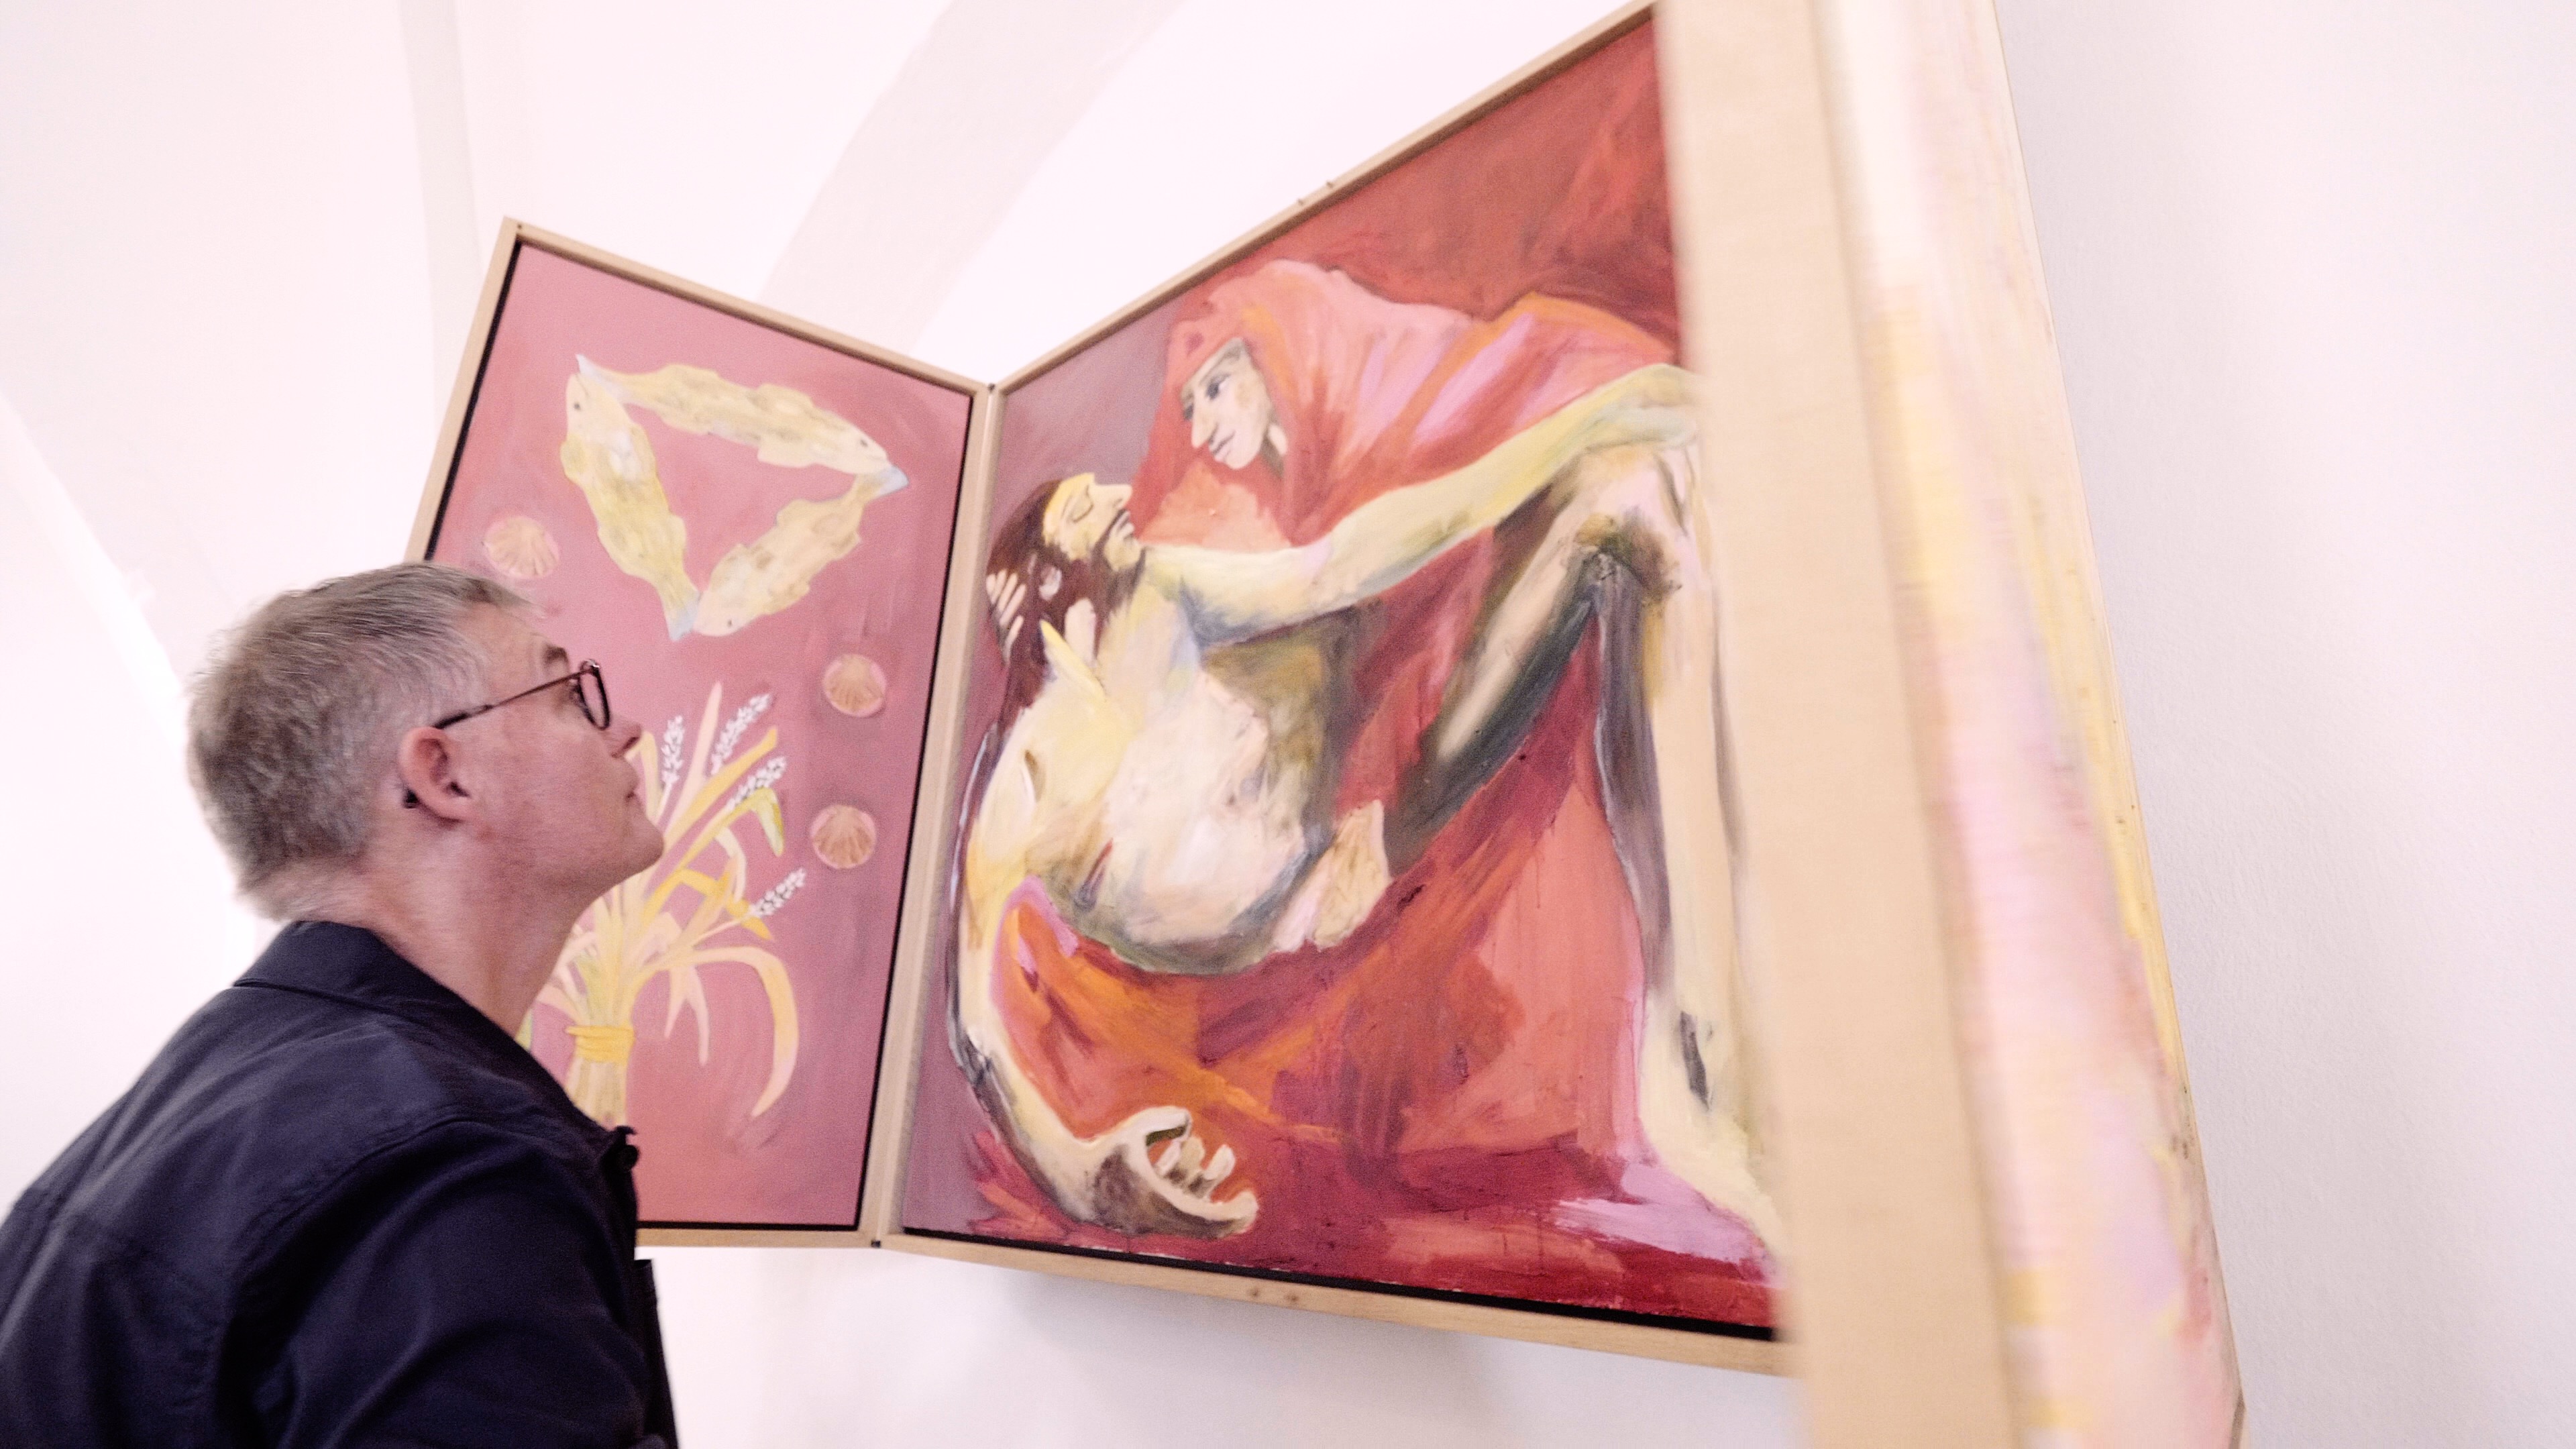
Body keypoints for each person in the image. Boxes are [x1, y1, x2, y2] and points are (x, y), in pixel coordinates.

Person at [953, 264, 1778, 1263]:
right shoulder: (1039, 758)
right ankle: (1703, 1062)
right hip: (1342, 856)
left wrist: (1601, 415)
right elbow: (974, 1019)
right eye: (1089, 512)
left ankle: (1708, 1029)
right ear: (1045, 582)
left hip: (1373, 797)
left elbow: (1348, 563)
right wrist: (1080, 1169)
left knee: (1636, 484)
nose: (1128, 501)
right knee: (1626, 480)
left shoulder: (1174, 590)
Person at [0, 564, 681, 1446]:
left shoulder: (212, 1084)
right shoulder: (447, 1164)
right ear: (445, 776)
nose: (623, 731)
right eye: (567, 696)